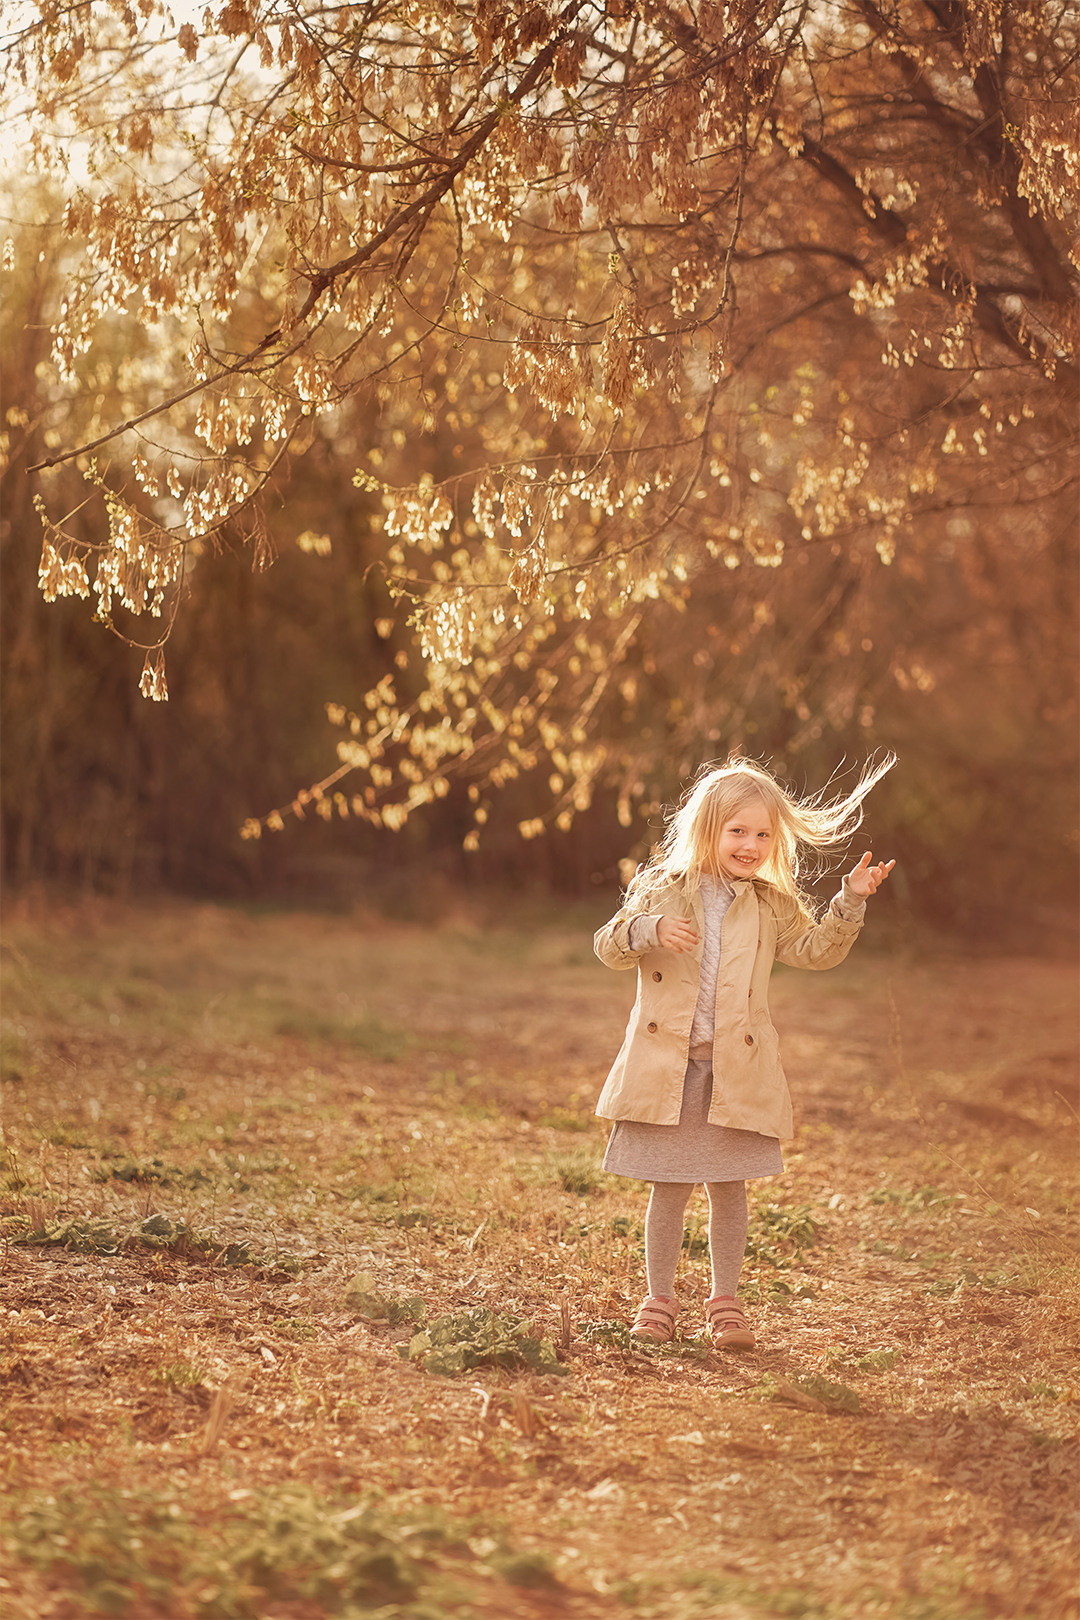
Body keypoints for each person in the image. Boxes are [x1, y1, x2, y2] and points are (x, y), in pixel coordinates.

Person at [593, 755, 895, 1350]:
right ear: (706, 829)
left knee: (730, 1185)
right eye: (738, 831)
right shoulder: (660, 890)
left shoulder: (770, 902)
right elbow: (608, 945)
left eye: (763, 834)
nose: (750, 844)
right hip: (668, 1068)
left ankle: (725, 1301)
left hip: (734, 1066)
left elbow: (816, 952)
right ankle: (659, 1298)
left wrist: (850, 901)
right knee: (670, 1185)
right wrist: (650, 930)